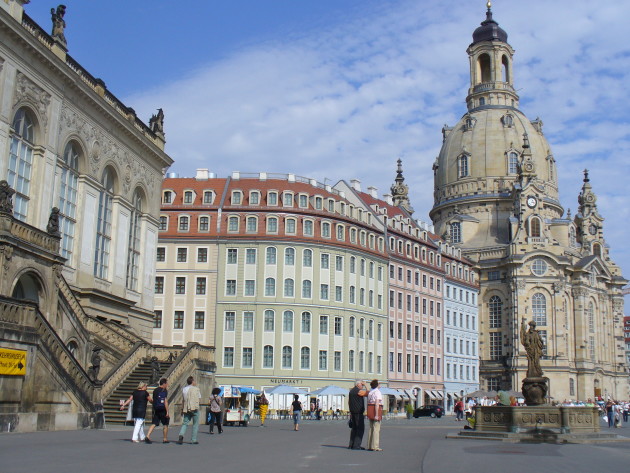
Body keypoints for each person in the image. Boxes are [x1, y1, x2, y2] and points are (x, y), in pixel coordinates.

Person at [178, 376, 201, 445]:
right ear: (192, 382)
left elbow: (183, 400)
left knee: (185, 423)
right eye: (194, 381)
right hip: (194, 408)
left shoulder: (184, 389)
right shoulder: (196, 389)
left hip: (186, 408)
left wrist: (182, 409)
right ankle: (193, 439)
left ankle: (181, 434)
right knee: (195, 424)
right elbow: (199, 399)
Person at [146, 378, 169, 443]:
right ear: (164, 384)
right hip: (162, 409)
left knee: (154, 423)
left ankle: (147, 435)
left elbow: (154, 400)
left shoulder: (155, 390)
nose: (167, 385)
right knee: (165, 424)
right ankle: (165, 439)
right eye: (166, 383)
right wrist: (167, 411)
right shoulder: (164, 391)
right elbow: (165, 401)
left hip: (156, 408)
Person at [348, 380, 368, 450]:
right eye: (361, 384)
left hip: (353, 412)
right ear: (358, 384)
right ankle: (356, 445)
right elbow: (368, 393)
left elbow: (349, 402)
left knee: (354, 429)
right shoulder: (358, 391)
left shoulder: (351, 391)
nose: (362, 386)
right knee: (360, 429)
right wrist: (366, 385)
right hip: (358, 412)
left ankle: (351, 444)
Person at [366, 379, 383, 452]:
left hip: (370, 409)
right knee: (376, 429)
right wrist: (376, 414)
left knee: (371, 428)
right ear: (377, 385)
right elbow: (377, 403)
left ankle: (370, 445)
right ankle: (375, 446)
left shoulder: (370, 392)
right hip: (376, 410)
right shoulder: (378, 392)